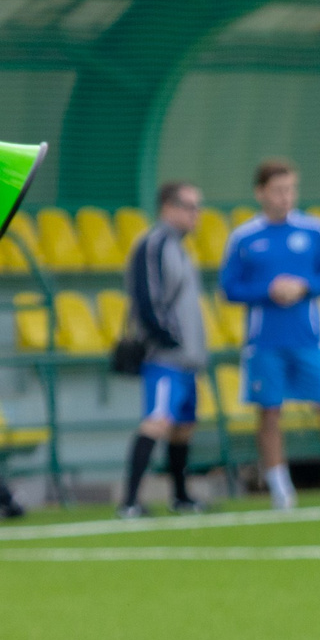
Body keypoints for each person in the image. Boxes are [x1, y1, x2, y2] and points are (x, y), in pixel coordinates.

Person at [220, 159, 320, 511]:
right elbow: (229, 288)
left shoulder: (315, 230)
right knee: (269, 414)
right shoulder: (244, 237)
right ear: (260, 192)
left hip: (310, 340)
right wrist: (269, 289)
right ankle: (281, 491)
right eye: (277, 190)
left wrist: (303, 286)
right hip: (264, 343)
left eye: (290, 189)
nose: (285, 197)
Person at [117, 180, 208, 519]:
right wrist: (167, 337)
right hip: (164, 356)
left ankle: (181, 496)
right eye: (189, 207)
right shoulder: (154, 243)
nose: (196, 215)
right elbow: (146, 297)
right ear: (168, 207)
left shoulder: (178, 246)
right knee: (157, 421)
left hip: (185, 359)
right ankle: (129, 501)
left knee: (183, 427)